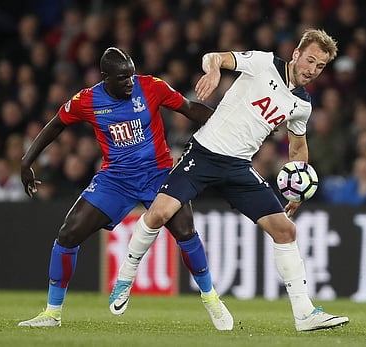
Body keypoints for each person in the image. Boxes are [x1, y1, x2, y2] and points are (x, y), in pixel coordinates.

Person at [113, 29, 349, 332]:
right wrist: (213, 70)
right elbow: (214, 57)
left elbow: (297, 145)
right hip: (205, 153)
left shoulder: (302, 105)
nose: (312, 70)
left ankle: (304, 313)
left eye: (320, 66)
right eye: (310, 61)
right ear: (296, 54)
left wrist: (297, 184)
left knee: (285, 230)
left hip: (238, 167)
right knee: (158, 213)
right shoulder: (263, 63)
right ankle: (126, 275)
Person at [17, 47, 233, 330]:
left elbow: (190, 109)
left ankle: (212, 299)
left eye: (131, 75)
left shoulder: (151, 87)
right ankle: (52, 313)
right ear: (105, 77)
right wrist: (26, 161)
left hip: (158, 175)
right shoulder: (88, 100)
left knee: (186, 232)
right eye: (123, 78)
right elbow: (57, 125)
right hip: (116, 180)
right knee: (68, 234)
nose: (130, 82)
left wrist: (235, 125)